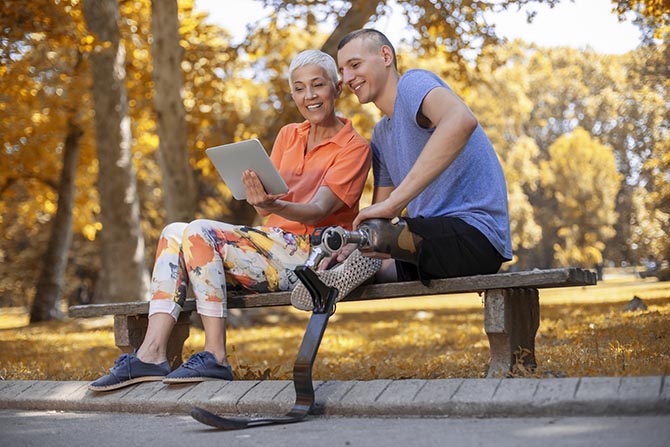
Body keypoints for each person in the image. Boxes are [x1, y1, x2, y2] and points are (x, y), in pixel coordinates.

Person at [89, 49, 374, 391]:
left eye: (318, 85)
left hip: (310, 258)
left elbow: (317, 210)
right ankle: (151, 354)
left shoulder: (355, 147)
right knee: (174, 231)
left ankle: (216, 357)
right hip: (271, 250)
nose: (309, 96)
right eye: (299, 88)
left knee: (199, 231)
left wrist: (273, 204)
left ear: (337, 87)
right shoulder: (288, 135)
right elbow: (265, 212)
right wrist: (261, 199)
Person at [332, 29, 512, 286]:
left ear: (385, 56)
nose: (347, 78)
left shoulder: (412, 84)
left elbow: (461, 120)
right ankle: (325, 277)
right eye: (342, 71)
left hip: (475, 237)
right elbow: (378, 219)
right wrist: (349, 244)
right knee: (361, 251)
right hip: (424, 246)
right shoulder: (382, 134)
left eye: (355, 65)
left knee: (377, 239)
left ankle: (341, 272)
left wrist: (395, 203)